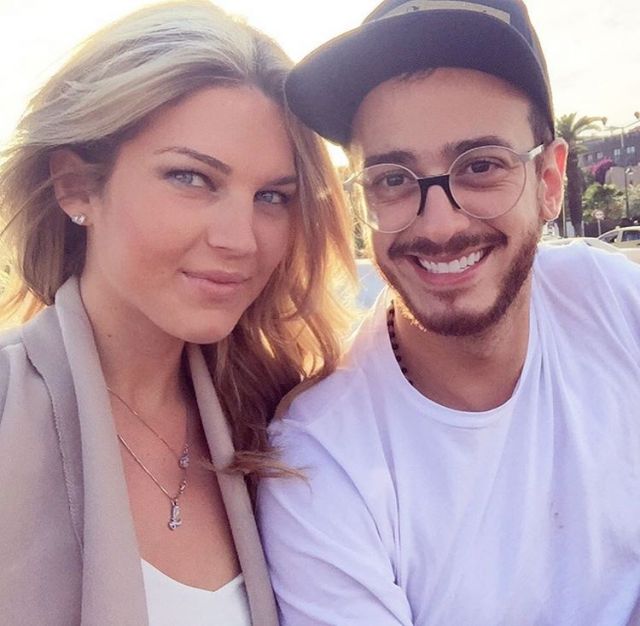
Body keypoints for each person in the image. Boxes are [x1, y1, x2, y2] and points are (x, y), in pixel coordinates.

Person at [257, 1, 640, 624]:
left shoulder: (613, 305)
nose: (438, 225)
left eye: (481, 166)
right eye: (392, 179)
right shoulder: (321, 460)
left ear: (549, 181)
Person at [0, 2, 355, 624]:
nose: (240, 240)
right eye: (191, 179)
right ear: (76, 186)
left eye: (272, 196)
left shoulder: (279, 421)